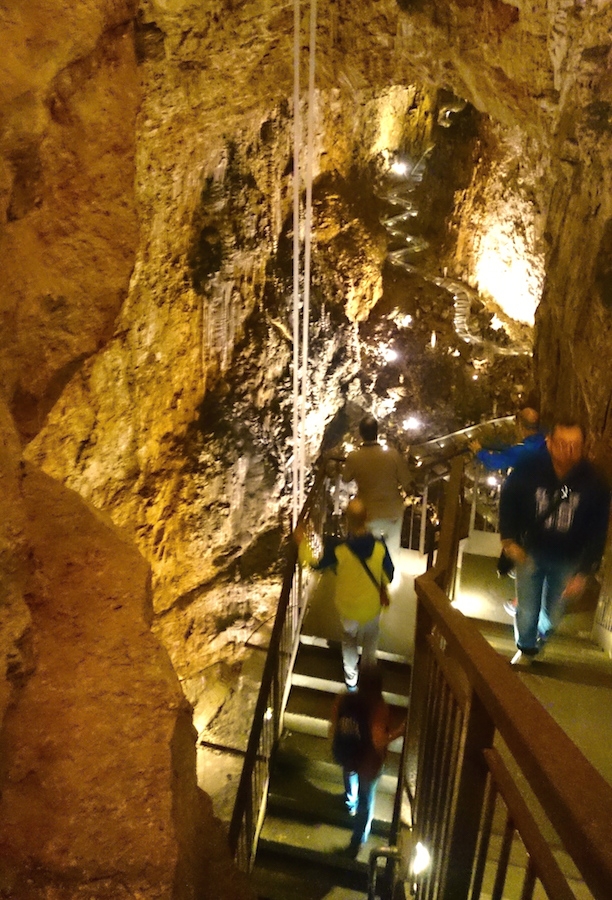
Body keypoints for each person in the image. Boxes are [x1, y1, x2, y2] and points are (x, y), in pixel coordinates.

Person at [499, 420, 610, 666]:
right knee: (528, 607)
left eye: (575, 445)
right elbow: (509, 500)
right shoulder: (529, 468)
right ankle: (526, 650)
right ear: (549, 443)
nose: (568, 451)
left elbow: (597, 528)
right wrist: (508, 538)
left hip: (568, 556)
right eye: (562, 444)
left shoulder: (593, 481)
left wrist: (584, 571)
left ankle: (540, 634)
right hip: (531, 551)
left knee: (553, 612)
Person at [297, 498, 393, 689]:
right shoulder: (380, 547)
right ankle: (367, 679)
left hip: (348, 608)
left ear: (347, 520)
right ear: (366, 518)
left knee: (349, 640)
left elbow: (316, 565)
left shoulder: (339, 550)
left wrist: (302, 543)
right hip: (371, 606)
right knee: (370, 642)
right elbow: (389, 575)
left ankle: (351, 681)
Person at [330, 666, 405, 856]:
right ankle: (357, 842)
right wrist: (399, 732)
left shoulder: (345, 699)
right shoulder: (378, 708)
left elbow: (333, 724)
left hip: (349, 754)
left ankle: (349, 801)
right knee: (366, 800)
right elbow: (378, 740)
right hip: (368, 762)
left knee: (350, 777)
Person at [341, 415, 412, 560]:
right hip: (392, 511)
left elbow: (345, 478)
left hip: (368, 513)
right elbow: (407, 483)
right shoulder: (392, 455)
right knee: (392, 550)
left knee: (368, 553)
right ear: (377, 433)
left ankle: (369, 578)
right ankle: (390, 579)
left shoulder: (354, 457)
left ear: (361, 434)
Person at [469, 407, 546, 471]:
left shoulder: (522, 450)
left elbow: (496, 462)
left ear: (520, 425)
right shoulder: (545, 439)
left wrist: (478, 451)